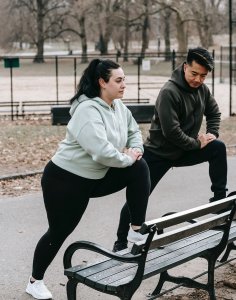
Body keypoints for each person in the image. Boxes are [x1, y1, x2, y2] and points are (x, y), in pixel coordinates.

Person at [26, 59, 151, 299]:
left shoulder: (118, 106)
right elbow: (102, 152)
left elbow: (134, 131)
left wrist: (135, 151)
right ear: (102, 82)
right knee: (59, 232)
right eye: (119, 80)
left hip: (95, 176)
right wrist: (127, 158)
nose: (124, 84)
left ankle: (136, 229)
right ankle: (34, 281)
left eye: (124, 79)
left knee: (140, 167)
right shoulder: (87, 110)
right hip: (64, 181)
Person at [113, 47, 228, 252]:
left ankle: (219, 200)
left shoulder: (203, 90)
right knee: (139, 196)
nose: (198, 79)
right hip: (159, 153)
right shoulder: (169, 92)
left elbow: (214, 112)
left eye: (203, 75)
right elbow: (171, 132)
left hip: (185, 149)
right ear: (185, 67)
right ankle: (120, 242)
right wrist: (197, 144)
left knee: (218, 148)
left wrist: (212, 134)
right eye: (194, 74)